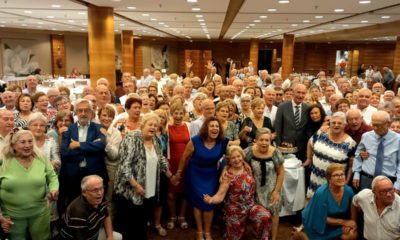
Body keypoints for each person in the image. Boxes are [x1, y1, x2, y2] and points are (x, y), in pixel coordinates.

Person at [113, 112, 172, 240]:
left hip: (149, 187)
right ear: (143, 125)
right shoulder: (132, 138)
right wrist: (135, 185)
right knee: (129, 223)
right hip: (130, 190)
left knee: (143, 220)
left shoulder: (156, 140)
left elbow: (159, 157)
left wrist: (168, 172)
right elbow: (124, 165)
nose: (153, 128)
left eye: (156, 126)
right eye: (150, 124)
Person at [172, 117, 229, 240]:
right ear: (206, 128)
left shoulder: (223, 142)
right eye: (212, 126)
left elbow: (229, 157)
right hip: (194, 174)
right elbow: (184, 157)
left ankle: (207, 232)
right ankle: (199, 231)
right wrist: (179, 173)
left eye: (217, 126)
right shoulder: (195, 141)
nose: (215, 128)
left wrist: (224, 168)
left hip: (212, 175)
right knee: (198, 203)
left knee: (208, 203)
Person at [0, 130, 59, 239]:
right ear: (13, 145)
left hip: (40, 213)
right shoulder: (3, 161)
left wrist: (54, 189)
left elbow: (52, 176)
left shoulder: (41, 159)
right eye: (22, 142)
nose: (27, 145)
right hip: (12, 217)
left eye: (30, 141)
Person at [204, 146, 272, 240]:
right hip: (235, 211)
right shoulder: (227, 176)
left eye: (238, 156)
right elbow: (220, 196)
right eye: (233, 158)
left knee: (265, 216)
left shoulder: (247, 167)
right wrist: (211, 200)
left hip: (250, 206)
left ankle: (257, 237)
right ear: (229, 160)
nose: (236, 160)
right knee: (235, 237)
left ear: (242, 156)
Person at [59, 99, 108, 214]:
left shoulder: (98, 128)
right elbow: (65, 152)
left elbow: (101, 145)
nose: (83, 113)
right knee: (74, 204)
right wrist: (91, 147)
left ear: (91, 112)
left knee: (96, 205)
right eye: (80, 111)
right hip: (73, 174)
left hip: (94, 173)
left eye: (86, 110)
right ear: (75, 112)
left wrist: (77, 145)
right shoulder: (69, 129)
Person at [244, 128, 284, 240]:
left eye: (267, 140)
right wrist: (244, 163)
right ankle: (257, 236)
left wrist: (276, 192)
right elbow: (236, 156)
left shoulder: (275, 152)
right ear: (256, 140)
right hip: (255, 190)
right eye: (261, 140)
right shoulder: (249, 151)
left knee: (274, 214)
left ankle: (273, 238)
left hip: (272, 189)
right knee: (258, 216)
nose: (264, 143)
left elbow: (281, 173)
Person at [304, 112, 356, 197]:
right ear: (330, 123)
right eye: (333, 123)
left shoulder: (350, 143)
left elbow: (351, 166)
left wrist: (346, 182)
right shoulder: (321, 133)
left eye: (339, 123)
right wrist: (309, 158)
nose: (336, 125)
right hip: (315, 179)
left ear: (344, 125)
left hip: (334, 184)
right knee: (314, 205)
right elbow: (310, 142)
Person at [300, 164, 357, 240]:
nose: (340, 177)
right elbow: (321, 218)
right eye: (336, 175)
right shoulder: (321, 193)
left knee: (352, 235)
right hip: (318, 223)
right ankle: (301, 233)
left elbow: (353, 212)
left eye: (342, 174)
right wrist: (345, 222)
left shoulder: (349, 191)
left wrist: (351, 224)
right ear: (329, 179)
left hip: (338, 223)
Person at [59, 175, 122, 240]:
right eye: (95, 190)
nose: (100, 193)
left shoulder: (99, 198)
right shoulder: (78, 212)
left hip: (93, 234)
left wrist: (110, 237)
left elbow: (106, 216)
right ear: (84, 192)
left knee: (118, 237)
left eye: (101, 188)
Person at [353, 111, 400, 191]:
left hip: (388, 181)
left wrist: (398, 184)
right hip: (366, 179)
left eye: (378, 125)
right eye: (373, 124)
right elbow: (358, 154)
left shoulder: (398, 140)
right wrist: (356, 173)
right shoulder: (366, 136)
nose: (374, 128)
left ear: (388, 124)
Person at [167, 103, 191, 230]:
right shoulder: (167, 127)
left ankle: (182, 216)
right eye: (175, 113)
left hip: (186, 163)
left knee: (184, 192)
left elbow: (192, 144)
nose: (178, 116)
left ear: (184, 114)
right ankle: (172, 215)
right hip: (172, 163)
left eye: (181, 113)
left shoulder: (188, 125)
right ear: (171, 114)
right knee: (171, 193)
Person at [275, 84, 310, 160]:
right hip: (285, 147)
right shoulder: (282, 107)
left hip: (302, 148)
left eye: (303, 93)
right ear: (293, 92)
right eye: (298, 92)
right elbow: (277, 128)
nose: (300, 95)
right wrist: (279, 147)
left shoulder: (308, 108)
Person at [98, 105, 122, 203]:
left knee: (108, 199)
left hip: (110, 169)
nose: (107, 118)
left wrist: (106, 140)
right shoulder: (94, 129)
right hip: (96, 167)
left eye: (110, 116)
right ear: (99, 117)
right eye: (104, 115)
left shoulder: (116, 133)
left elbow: (114, 156)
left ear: (113, 119)